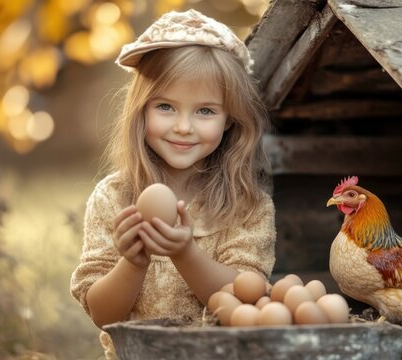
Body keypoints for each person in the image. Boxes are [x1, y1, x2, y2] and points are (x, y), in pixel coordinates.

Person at [70, 9, 276, 358]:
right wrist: (133, 263)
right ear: (142, 110)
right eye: (166, 106)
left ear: (229, 121)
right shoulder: (114, 198)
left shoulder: (247, 205)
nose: (183, 126)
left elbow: (247, 298)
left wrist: (185, 253)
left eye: (205, 111)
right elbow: (103, 315)